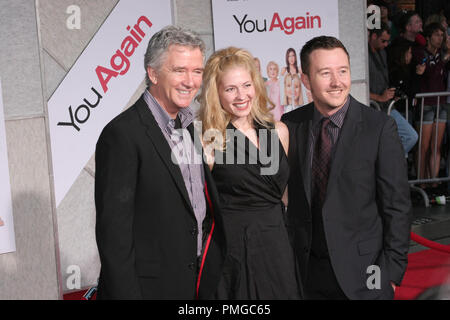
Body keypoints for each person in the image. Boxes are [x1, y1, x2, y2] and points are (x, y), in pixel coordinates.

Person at [94, 25, 225, 299]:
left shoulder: (189, 125)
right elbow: (114, 237)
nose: (190, 81)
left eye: (197, 71)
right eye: (179, 70)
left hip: (196, 284)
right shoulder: (122, 135)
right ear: (153, 73)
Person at [281, 36, 411, 300]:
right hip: (305, 276)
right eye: (325, 73)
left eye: (343, 71)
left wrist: (390, 275)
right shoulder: (290, 125)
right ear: (306, 80)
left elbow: (396, 206)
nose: (336, 82)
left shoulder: (378, 128)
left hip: (365, 276)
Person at [198, 46, 301, 299]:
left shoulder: (278, 132)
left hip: (278, 245)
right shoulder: (209, 140)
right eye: (230, 89)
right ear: (217, 94)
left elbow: (284, 194)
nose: (241, 95)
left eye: (246, 85)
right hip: (233, 251)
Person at [369, 23, 418, 155]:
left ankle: (390, 165)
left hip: (387, 107)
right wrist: (379, 97)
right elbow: (356, 87)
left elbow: (384, 79)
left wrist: (391, 93)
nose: (386, 44)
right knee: (376, 146)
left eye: (387, 41)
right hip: (371, 110)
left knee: (410, 136)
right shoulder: (363, 55)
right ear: (373, 36)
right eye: (383, 41)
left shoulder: (383, 53)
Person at [412, 23, 450, 183]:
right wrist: (445, 57)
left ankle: (434, 183)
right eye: (436, 35)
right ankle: (421, 183)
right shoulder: (421, 53)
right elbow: (429, 73)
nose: (439, 38)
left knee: (436, 146)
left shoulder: (442, 55)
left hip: (441, 103)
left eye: (442, 35)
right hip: (426, 104)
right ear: (428, 37)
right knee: (424, 146)